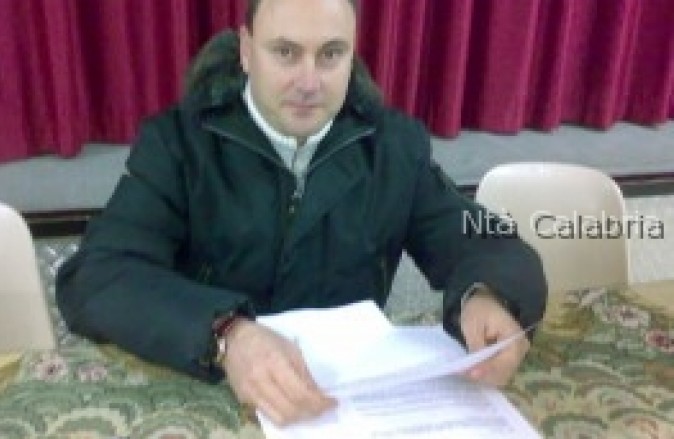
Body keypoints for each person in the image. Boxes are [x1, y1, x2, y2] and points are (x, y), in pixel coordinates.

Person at [56, 0, 547, 427]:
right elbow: (96, 276)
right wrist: (225, 334)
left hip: (344, 404)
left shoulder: (394, 147)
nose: (309, 82)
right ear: (246, 50)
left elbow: (486, 240)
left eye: (331, 54)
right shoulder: (177, 145)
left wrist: (489, 293)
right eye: (286, 53)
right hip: (211, 387)